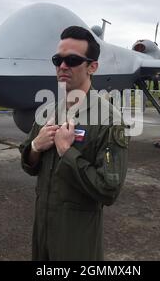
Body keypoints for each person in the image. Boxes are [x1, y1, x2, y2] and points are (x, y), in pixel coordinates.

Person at [19, 26, 128, 261]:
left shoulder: (109, 120)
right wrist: (36, 147)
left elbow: (109, 190)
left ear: (92, 66)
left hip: (76, 241)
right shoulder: (48, 112)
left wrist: (67, 152)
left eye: (72, 60)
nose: (62, 66)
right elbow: (28, 165)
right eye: (58, 60)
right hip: (42, 233)